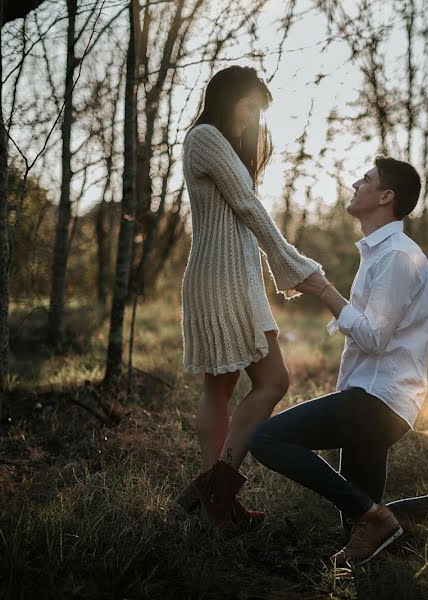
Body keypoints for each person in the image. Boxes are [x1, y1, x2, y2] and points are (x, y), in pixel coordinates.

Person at [250, 157, 428, 564]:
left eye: (366, 179)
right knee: (363, 524)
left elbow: (374, 337)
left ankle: (377, 519)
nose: (355, 183)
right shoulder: (381, 253)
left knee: (267, 439)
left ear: (385, 196)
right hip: (373, 397)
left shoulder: (396, 256)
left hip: (378, 400)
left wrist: (325, 291)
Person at [175, 66, 322, 533]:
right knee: (271, 380)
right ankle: (218, 489)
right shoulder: (205, 137)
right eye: (251, 106)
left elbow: (242, 210)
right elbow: (247, 207)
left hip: (237, 280)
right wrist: (290, 260)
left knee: (223, 388)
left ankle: (217, 499)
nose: (256, 118)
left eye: (261, 110)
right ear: (227, 98)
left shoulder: (225, 147)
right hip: (221, 281)